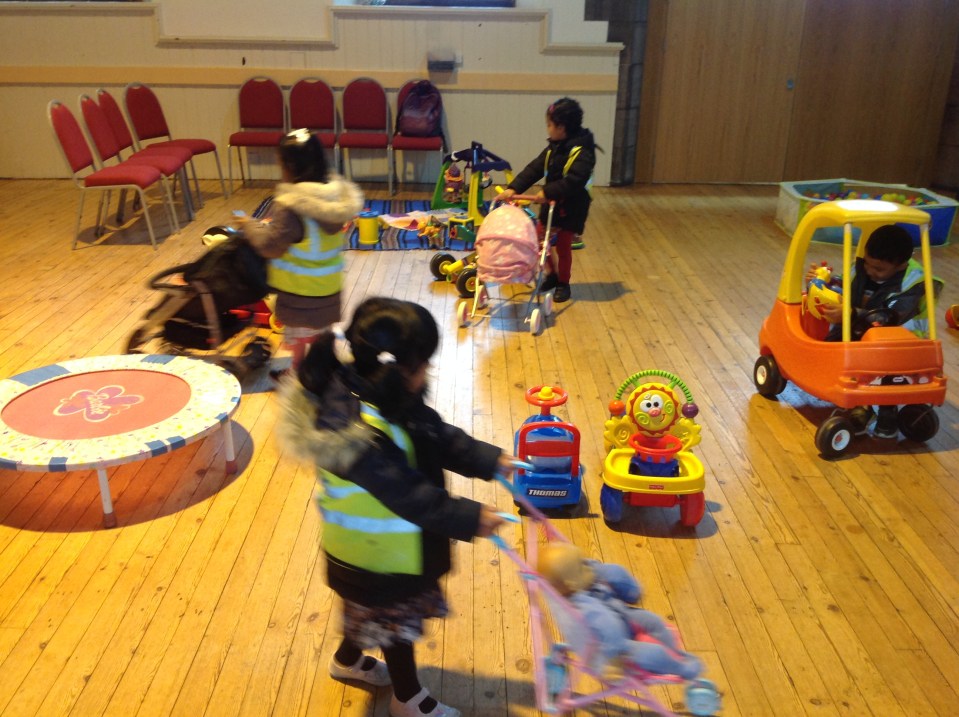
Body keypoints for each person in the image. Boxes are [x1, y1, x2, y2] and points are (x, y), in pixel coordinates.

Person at [276, 297, 516, 717]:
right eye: (422, 365)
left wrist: (488, 459)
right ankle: (408, 699)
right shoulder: (355, 435)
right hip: (376, 560)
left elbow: (434, 434)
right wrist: (469, 517)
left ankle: (346, 661)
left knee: (368, 616)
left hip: (379, 552)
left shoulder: (382, 391)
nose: (428, 371)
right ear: (397, 370)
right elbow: (408, 495)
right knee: (394, 627)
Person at [238, 128, 364, 381]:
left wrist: (247, 224)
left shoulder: (291, 205)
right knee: (320, 335)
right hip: (328, 288)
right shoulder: (334, 198)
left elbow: (270, 245)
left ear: (290, 166)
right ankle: (324, 370)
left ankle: (297, 373)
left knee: (298, 337)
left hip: (299, 292)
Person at [805, 223, 943, 437]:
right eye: (868, 264)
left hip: (901, 346)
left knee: (882, 367)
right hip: (863, 334)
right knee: (835, 347)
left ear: (901, 265)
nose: (870, 271)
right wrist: (823, 282)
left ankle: (883, 410)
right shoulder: (862, 269)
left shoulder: (913, 284)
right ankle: (857, 401)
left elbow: (890, 317)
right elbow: (844, 285)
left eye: (878, 269)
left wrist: (851, 313)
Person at [537, 542, 703, 680]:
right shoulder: (585, 608)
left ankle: (674, 652)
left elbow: (601, 572)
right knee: (654, 653)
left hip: (621, 616)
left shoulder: (581, 581)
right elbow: (609, 628)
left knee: (652, 621)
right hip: (616, 651)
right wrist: (614, 658)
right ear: (571, 584)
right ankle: (681, 668)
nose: (587, 564)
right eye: (582, 565)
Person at [495, 97, 597, 303]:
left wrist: (548, 192)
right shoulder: (554, 147)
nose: (547, 129)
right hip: (552, 204)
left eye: (549, 125)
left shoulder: (582, 152)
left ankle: (563, 283)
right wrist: (514, 188)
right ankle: (552, 275)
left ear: (562, 128)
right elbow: (535, 168)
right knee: (540, 240)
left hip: (572, 207)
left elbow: (575, 180)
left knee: (563, 246)